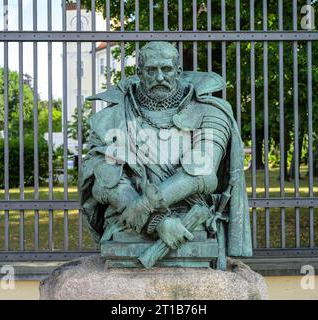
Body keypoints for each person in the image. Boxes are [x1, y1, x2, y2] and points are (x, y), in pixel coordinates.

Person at [79, 41, 252, 261]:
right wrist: (156, 221)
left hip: (189, 220)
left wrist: (144, 207)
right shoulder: (113, 116)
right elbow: (105, 180)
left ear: (178, 72)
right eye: (151, 70)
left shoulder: (210, 112)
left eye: (166, 69)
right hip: (127, 220)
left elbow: (202, 173)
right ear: (139, 73)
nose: (159, 77)